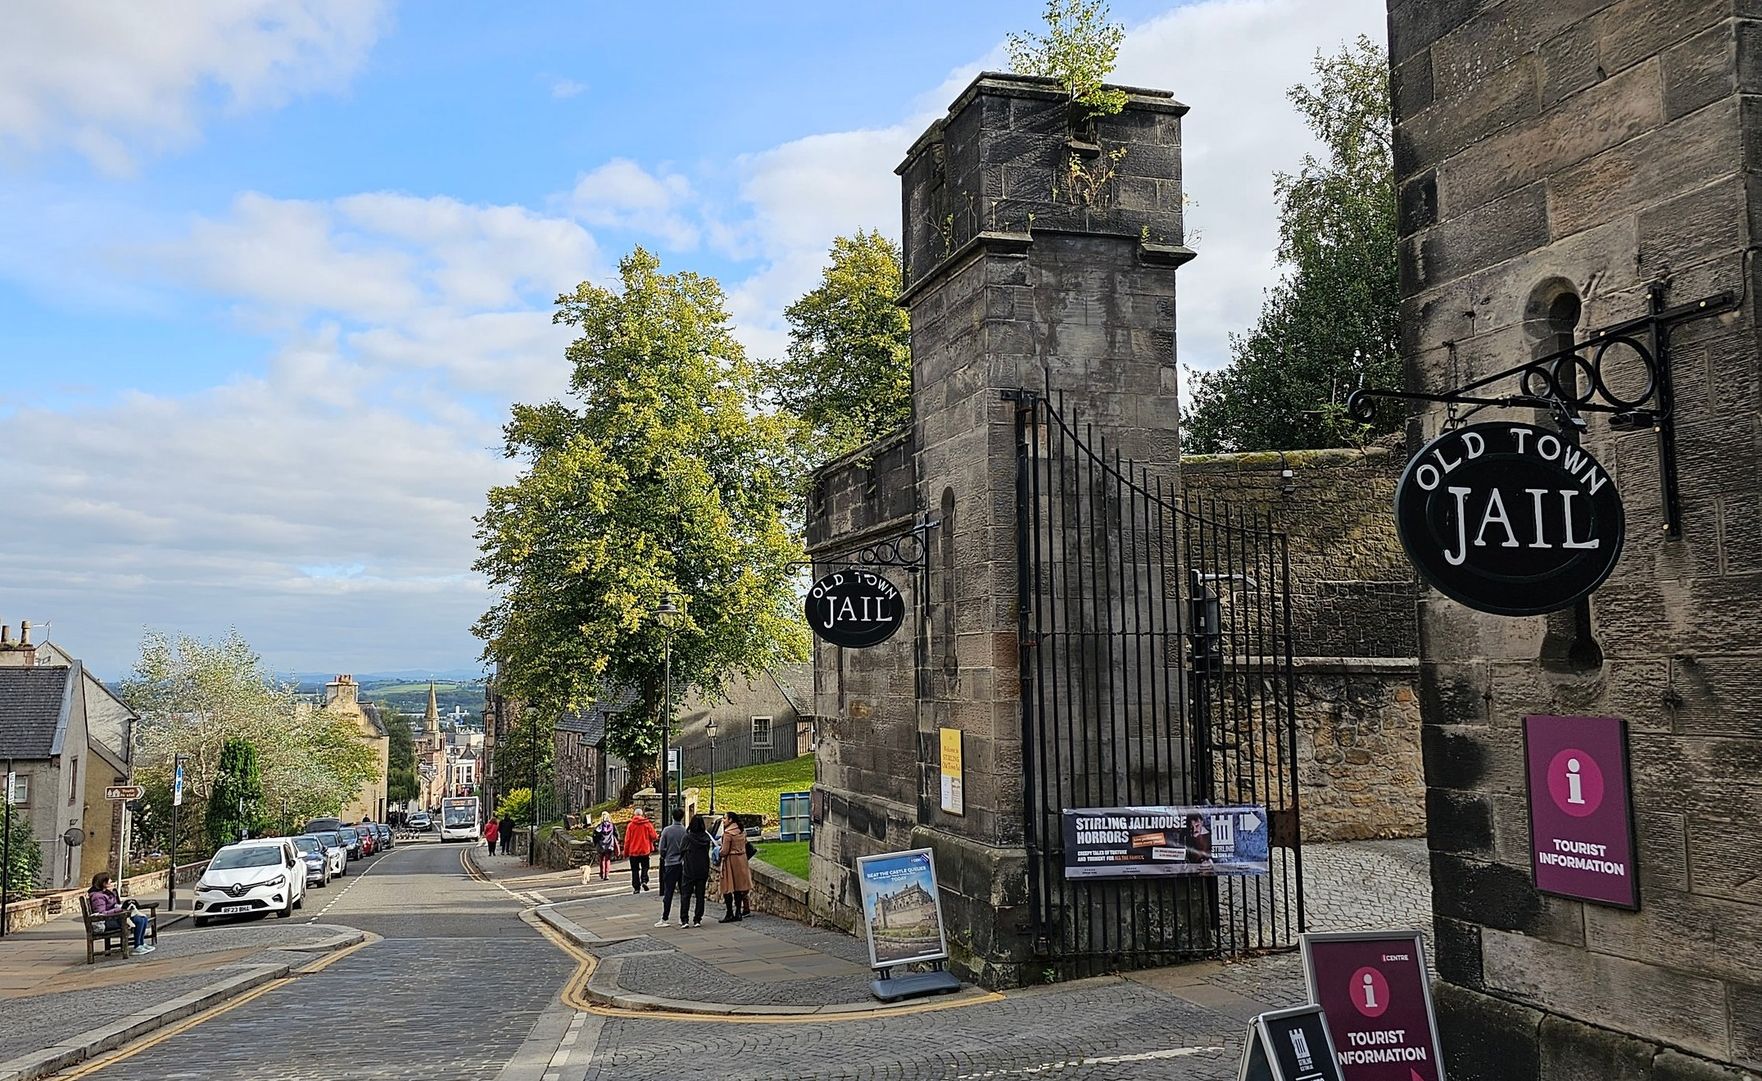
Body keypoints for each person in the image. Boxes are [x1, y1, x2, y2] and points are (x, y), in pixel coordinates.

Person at [87, 873, 152, 955]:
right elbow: (102, 913)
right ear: (103, 883)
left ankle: (141, 943)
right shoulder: (97, 897)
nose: (111, 882)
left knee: (143, 918)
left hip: (114, 917)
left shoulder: (106, 893)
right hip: (106, 922)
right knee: (138, 920)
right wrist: (119, 910)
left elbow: (113, 905)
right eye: (109, 881)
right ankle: (137, 946)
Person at [717, 813, 753, 923]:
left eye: (725, 818)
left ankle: (729, 913)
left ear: (730, 820)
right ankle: (738, 912)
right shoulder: (741, 831)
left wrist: (718, 851)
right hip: (742, 860)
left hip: (731, 862)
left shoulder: (728, 834)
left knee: (728, 887)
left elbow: (724, 851)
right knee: (738, 888)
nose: (723, 820)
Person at [655, 807, 687, 927]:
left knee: (668, 891)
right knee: (684, 892)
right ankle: (682, 917)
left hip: (670, 863)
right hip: (682, 863)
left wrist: (664, 856)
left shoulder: (667, 831)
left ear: (672, 816)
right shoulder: (684, 831)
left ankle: (665, 918)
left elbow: (662, 848)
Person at [680, 814, 712, 928]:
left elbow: (681, 851)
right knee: (700, 895)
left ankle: (684, 919)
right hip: (702, 869)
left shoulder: (687, 838)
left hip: (689, 869)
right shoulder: (706, 838)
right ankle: (697, 919)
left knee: (686, 895)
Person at [623, 808, 658, 894]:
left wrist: (625, 852)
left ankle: (636, 888)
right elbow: (654, 836)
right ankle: (644, 880)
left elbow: (627, 840)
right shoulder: (647, 824)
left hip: (633, 851)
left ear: (634, 815)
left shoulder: (631, 825)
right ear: (642, 815)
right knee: (645, 867)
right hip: (645, 850)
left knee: (635, 870)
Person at [592, 812, 618, 881]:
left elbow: (594, 836)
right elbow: (616, 835)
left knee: (601, 860)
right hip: (609, 845)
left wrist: (595, 844)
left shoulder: (599, 827)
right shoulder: (612, 826)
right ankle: (606, 875)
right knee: (607, 859)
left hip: (601, 845)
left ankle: (601, 873)